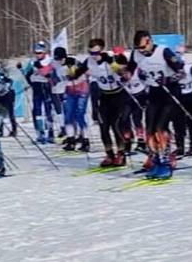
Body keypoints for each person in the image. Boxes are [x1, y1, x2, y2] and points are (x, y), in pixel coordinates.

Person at [128, 30, 186, 179]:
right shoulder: (136, 54)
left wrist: (169, 79)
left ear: (149, 41)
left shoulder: (163, 51)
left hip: (170, 93)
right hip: (154, 93)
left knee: (160, 128)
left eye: (143, 47)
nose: (142, 52)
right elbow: (129, 70)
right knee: (149, 129)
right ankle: (155, 160)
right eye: (138, 49)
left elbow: (181, 71)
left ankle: (166, 161)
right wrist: (123, 75)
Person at [75, 39, 129, 167]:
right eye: (91, 53)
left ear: (102, 50)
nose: (94, 56)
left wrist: (118, 67)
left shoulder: (110, 59)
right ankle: (109, 154)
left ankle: (121, 154)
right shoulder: (89, 61)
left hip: (118, 95)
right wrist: (72, 70)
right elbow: (77, 73)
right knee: (103, 126)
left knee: (116, 126)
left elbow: (124, 71)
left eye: (97, 53)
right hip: (105, 96)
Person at [23, 42, 59, 145]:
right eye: (36, 53)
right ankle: (40, 133)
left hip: (47, 88)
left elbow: (53, 75)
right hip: (37, 88)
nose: (38, 55)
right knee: (37, 111)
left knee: (48, 110)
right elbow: (27, 74)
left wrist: (47, 76)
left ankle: (50, 134)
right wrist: (30, 81)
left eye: (40, 52)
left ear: (44, 52)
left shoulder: (50, 61)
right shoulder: (32, 62)